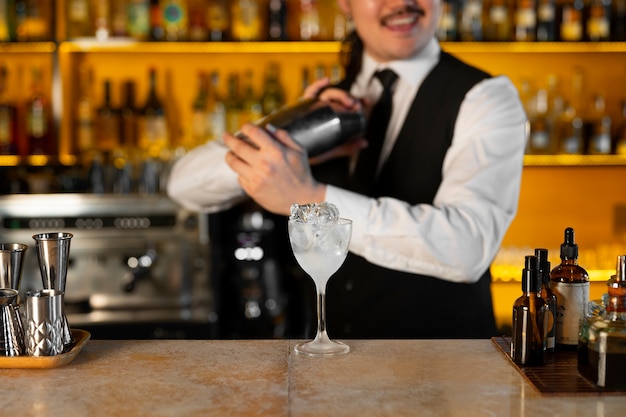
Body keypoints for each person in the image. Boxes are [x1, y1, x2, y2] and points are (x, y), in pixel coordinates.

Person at [167, 0, 527, 339]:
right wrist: (296, 134)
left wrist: (312, 199)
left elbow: (469, 246)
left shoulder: (487, 97)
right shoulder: (326, 103)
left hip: (442, 375)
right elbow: (184, 185)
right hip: (330, 375)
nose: (400, 4)